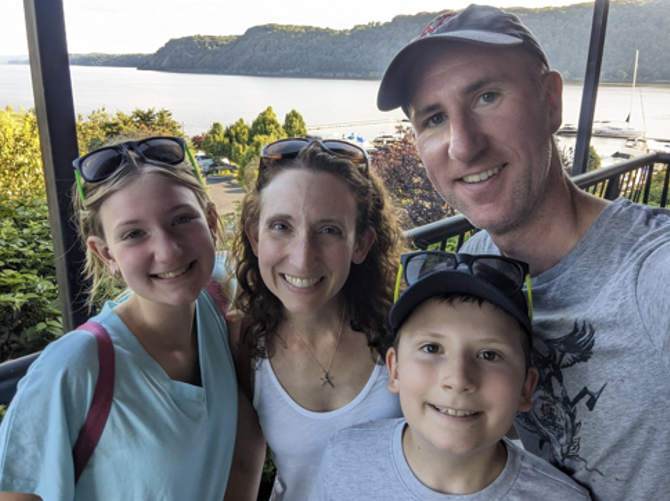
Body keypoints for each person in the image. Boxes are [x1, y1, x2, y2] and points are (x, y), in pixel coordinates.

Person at [377, 5, 670, 500]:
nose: (463, 146)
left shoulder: (651, 271)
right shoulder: (477, 263)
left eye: (487, 96)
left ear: (551, 101)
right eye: (433, 118)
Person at [0, 136, 237, 500]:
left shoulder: (219, 310)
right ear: (105, 253)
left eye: (181, 219)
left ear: (210, 220)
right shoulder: (72, 369)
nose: (167, 250)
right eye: (134, 234)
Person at [314, 250, 591, 500]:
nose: (458, 379)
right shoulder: (344, 458)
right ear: (395, 370)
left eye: (489, 354)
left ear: (525, 388)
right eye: (431, 348)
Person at [225, 138, 405, 500]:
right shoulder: (242, 342)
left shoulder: (405, 331)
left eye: (329, 230)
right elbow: (243, 465)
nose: (303, 259)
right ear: (254, 236)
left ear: (362, 244)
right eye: (281, 226)